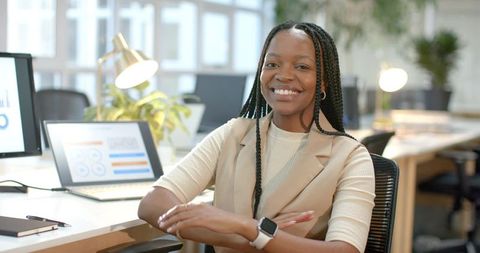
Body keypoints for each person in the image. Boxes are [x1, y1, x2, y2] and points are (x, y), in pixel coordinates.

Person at [138, 21, 375, 253]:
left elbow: (345, 250)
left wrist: (246, 227)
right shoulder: (233, 134)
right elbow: (153, 203)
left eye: (302, 67)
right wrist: (241, 240)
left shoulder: (350, 157)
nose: (284, 75)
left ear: (323, 81)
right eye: (272, 64)